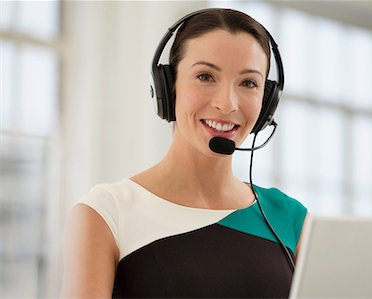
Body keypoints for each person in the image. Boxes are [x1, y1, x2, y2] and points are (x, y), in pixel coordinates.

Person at [61, 8, 308, 298]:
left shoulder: (289, 217)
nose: (227, 104)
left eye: (248, 83)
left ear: (267, 103)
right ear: (168, 86)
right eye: (205, 76)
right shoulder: (107, 212)